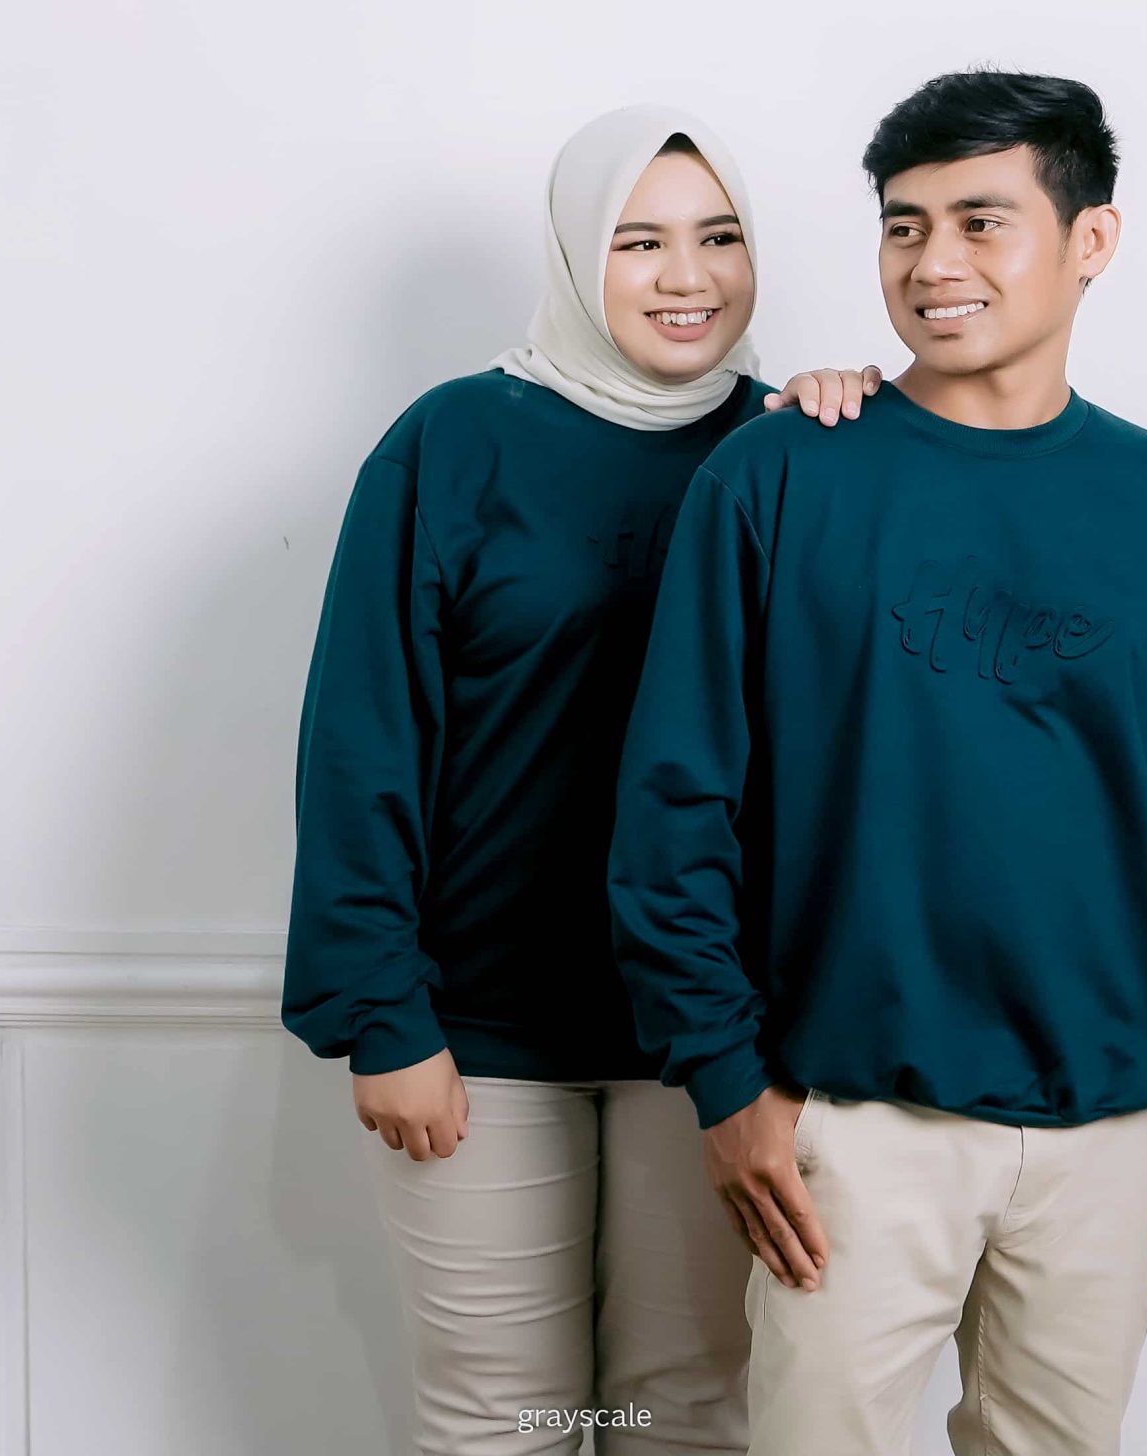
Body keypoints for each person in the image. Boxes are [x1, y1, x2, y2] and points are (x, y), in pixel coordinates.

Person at [607, 70, 1147, 1456]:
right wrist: (728, 1084)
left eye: (981, 221)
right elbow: (674, 804)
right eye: (903, 227)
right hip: (849, 1122)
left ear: (1091, 240)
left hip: (1105, 1126)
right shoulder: (781, 474)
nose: (932, 263)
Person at [281, 103, 881, 1456]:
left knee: (687, 1414)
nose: (688, 277)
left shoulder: (797, 451)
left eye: (720, 237)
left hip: (720, 1040)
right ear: (571, 254)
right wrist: (383, 1016)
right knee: (506, 1420)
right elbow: (363, 742)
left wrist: (869, 424)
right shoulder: (453, 444)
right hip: (478, 1035)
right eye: (639, 242)